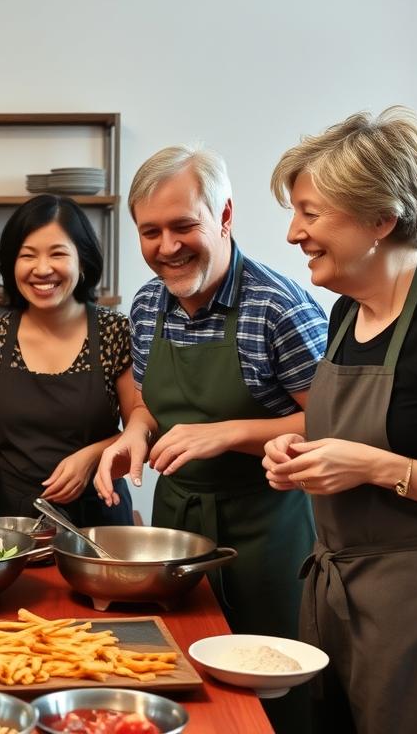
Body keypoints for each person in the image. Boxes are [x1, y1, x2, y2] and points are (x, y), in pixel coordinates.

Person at [264, 106, 417, 734]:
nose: (292, 233)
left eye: (310, 213)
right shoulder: (345, 314)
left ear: (382, 219)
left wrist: (377, 467)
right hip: (341, 593)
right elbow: (352, 437)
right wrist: (296, 451)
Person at [94, 145, 328, 733]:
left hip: (271, 530)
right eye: (150, 232)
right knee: (178, 676)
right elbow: (148, 401)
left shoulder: (281, 306)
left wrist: (231, 433)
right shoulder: (148, 305)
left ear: (224, 216)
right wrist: (136, 434)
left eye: (183, 225)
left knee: (272, 688)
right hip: (179, 528)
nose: (166, 247)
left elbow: (340, 424)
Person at [0, 195, 134, 524]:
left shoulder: (115, 332)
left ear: (82, 262)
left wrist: (92, 459)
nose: (42, 269)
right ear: (12, 264)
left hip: (98, 516)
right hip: (12, 519)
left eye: (58, 254)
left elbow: (143, 429)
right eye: (28, 256)